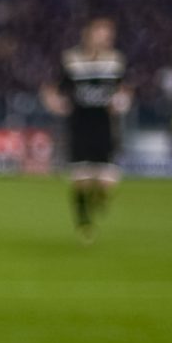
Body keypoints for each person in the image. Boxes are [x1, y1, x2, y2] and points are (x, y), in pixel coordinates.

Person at [40, 17, 129, 243]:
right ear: (89, 33)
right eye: (102, 32)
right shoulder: (72, 60)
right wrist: (53, 102)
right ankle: (84, 224)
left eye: (109, 33)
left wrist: (122, 100)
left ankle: (99, 198)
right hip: (79, 126)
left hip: (106, 127)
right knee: (81, 180)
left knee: (106, 183)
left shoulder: (116, 61)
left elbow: (125, 88)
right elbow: (52, 87)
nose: (106, 37)